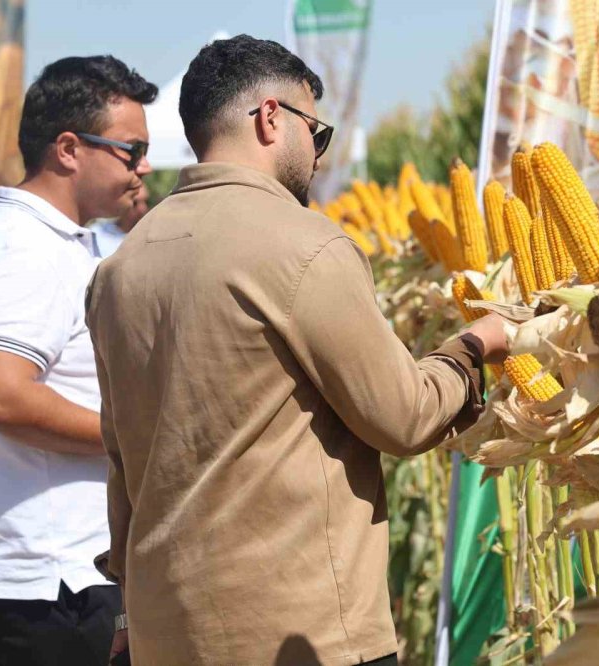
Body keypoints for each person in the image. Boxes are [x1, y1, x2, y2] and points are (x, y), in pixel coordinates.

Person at [85, 35, 509, 666]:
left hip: (165, 632)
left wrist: (126, 610)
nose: (317, 154)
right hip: (299, 632)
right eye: (316, 131)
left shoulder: (120, 268)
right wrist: (473, 346)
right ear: (271, 118)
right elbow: (405, 416)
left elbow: (122, 462)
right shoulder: (305, 245)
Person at [0, 55, 157, 666]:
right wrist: (137, 435)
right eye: (132, 150)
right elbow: (0, 395)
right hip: (47, 580)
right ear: (68, 149)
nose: (143, 167)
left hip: (53, 575)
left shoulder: (51, 242)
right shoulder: (20, 250)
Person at [92, 180, 150, 257]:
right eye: (135, 203)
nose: (143, 209)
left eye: (147, 202)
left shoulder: (153, 236)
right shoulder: (97, 235)